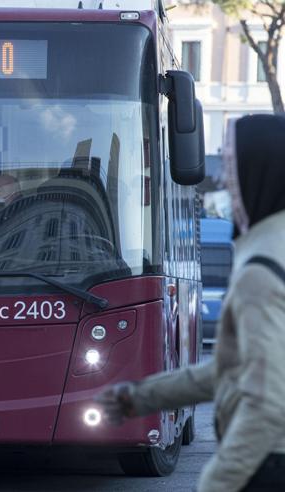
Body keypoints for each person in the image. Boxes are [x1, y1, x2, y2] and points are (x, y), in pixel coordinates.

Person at [96, 114, 285, 492]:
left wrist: (216, 483)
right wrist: (143, 397)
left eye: (232, 167)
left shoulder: (259, 273)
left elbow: (265, 405)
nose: (227, 183)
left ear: (260, 172)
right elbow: (237, 367)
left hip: (266, 464)